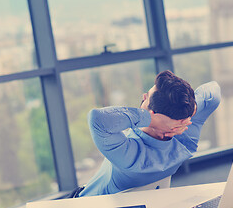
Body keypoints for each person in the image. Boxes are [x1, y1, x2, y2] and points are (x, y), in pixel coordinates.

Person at [73, 70, 221, 197]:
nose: (143, 95)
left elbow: (97, 119)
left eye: (147, 97)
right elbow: (213, 91)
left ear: (154, 114)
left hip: (83, 205)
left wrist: (151, 120)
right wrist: (191, 108)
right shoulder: (185, 141)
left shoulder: (130, 156)